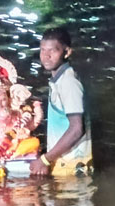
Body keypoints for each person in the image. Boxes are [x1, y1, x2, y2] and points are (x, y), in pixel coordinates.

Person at [30, 27, 93, 177]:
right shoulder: (58, 80)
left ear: (67, 52)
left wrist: (45, 160)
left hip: (73, 167)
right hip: (63, 163)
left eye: (53, 51)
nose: (46, 56)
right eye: (43, 50)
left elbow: (77, 128)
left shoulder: (69, 82)